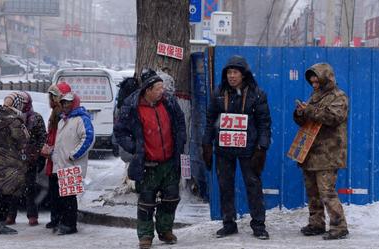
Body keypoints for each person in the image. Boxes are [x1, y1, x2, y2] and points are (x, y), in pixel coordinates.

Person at [114, 68, 186, 249]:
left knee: (171, 198)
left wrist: (181, 140)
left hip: (169, 161)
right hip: (147, 163)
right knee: (146, 201)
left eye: (162, 87)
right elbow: (120, 132)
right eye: (158, 88)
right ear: (148, 90)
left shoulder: (169, 102)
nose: (162, 91)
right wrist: (135, 149)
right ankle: (145, 235)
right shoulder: (132, 106)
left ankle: (165, 229)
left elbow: (180, 122)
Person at [202, 55, 272, 240]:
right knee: (225, 186)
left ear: (243, 75)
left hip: (249, 149)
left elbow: (264, 123)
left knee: (253, 186)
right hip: (224, 149)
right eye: (229, 73)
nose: (232, 76)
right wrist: (206, 144)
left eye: (235, 72)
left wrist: (262, 148)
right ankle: (228, 223)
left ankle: (258, 225)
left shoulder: (257, 94)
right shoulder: (218, 93)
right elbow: (210, 121)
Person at [293, 63, 349, 240]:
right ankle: (316, 223)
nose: (314, 84)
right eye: (312, 82)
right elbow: (308, 120)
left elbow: (333, 117)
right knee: (313, 192)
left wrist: (308, 110)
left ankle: (339, 226)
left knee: (327, 192)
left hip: (328, 153)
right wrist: (300, 113)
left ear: (326, 78)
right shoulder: (315, 96)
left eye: (317, 81)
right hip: (310, 152)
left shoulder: (338, 96)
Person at [43, 89, 95, 235]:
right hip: (61, 164)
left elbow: (89, 138)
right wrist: (54, 154)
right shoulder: (62, 120)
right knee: (63, 197)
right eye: (63, 103)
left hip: (72, 165)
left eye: (68, 103)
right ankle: (64, 223)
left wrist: (74, 155)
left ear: (74, 103)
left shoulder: (81, 119)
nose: (65, 105)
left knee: (69, 197)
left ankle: (70, 225)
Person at [0, 92, 30, 235]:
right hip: (10, 161)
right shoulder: (15, 120)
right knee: (6, 192)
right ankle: (1, 224)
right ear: (17, 104)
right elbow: (22, 140)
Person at [6, 92, 46, 226]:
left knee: (30, 188)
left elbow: (42, 138)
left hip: (31, 160)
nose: (21, 105)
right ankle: (10, 215)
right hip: (14, 159)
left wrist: (36, 152)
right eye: (19, 103)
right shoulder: (12, 117)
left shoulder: (36, 118)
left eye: (24, 103)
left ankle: (32, 216)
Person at [41, 82, 73, 229]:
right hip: (54, 155)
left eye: (53, 96)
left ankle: (62, 219)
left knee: (62, 192)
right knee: (55, 190)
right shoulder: (55, 112)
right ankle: (56, 218)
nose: (50, 99)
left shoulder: (63, 114)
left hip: (61, 156)